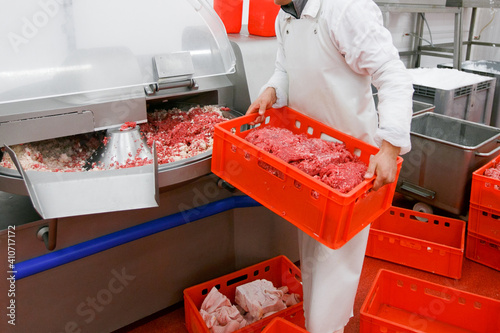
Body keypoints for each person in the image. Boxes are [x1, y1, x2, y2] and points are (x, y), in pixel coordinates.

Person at [245, 0, 413, 332]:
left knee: (335, 262)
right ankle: (318, 323)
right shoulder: (286, 16)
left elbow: (392, 75)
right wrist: (271, 89)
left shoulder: (345, 9)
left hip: (349, 165)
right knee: (312, 253)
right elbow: (286, 68)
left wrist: (390, 147)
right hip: (309, 158)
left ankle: (326, 326)